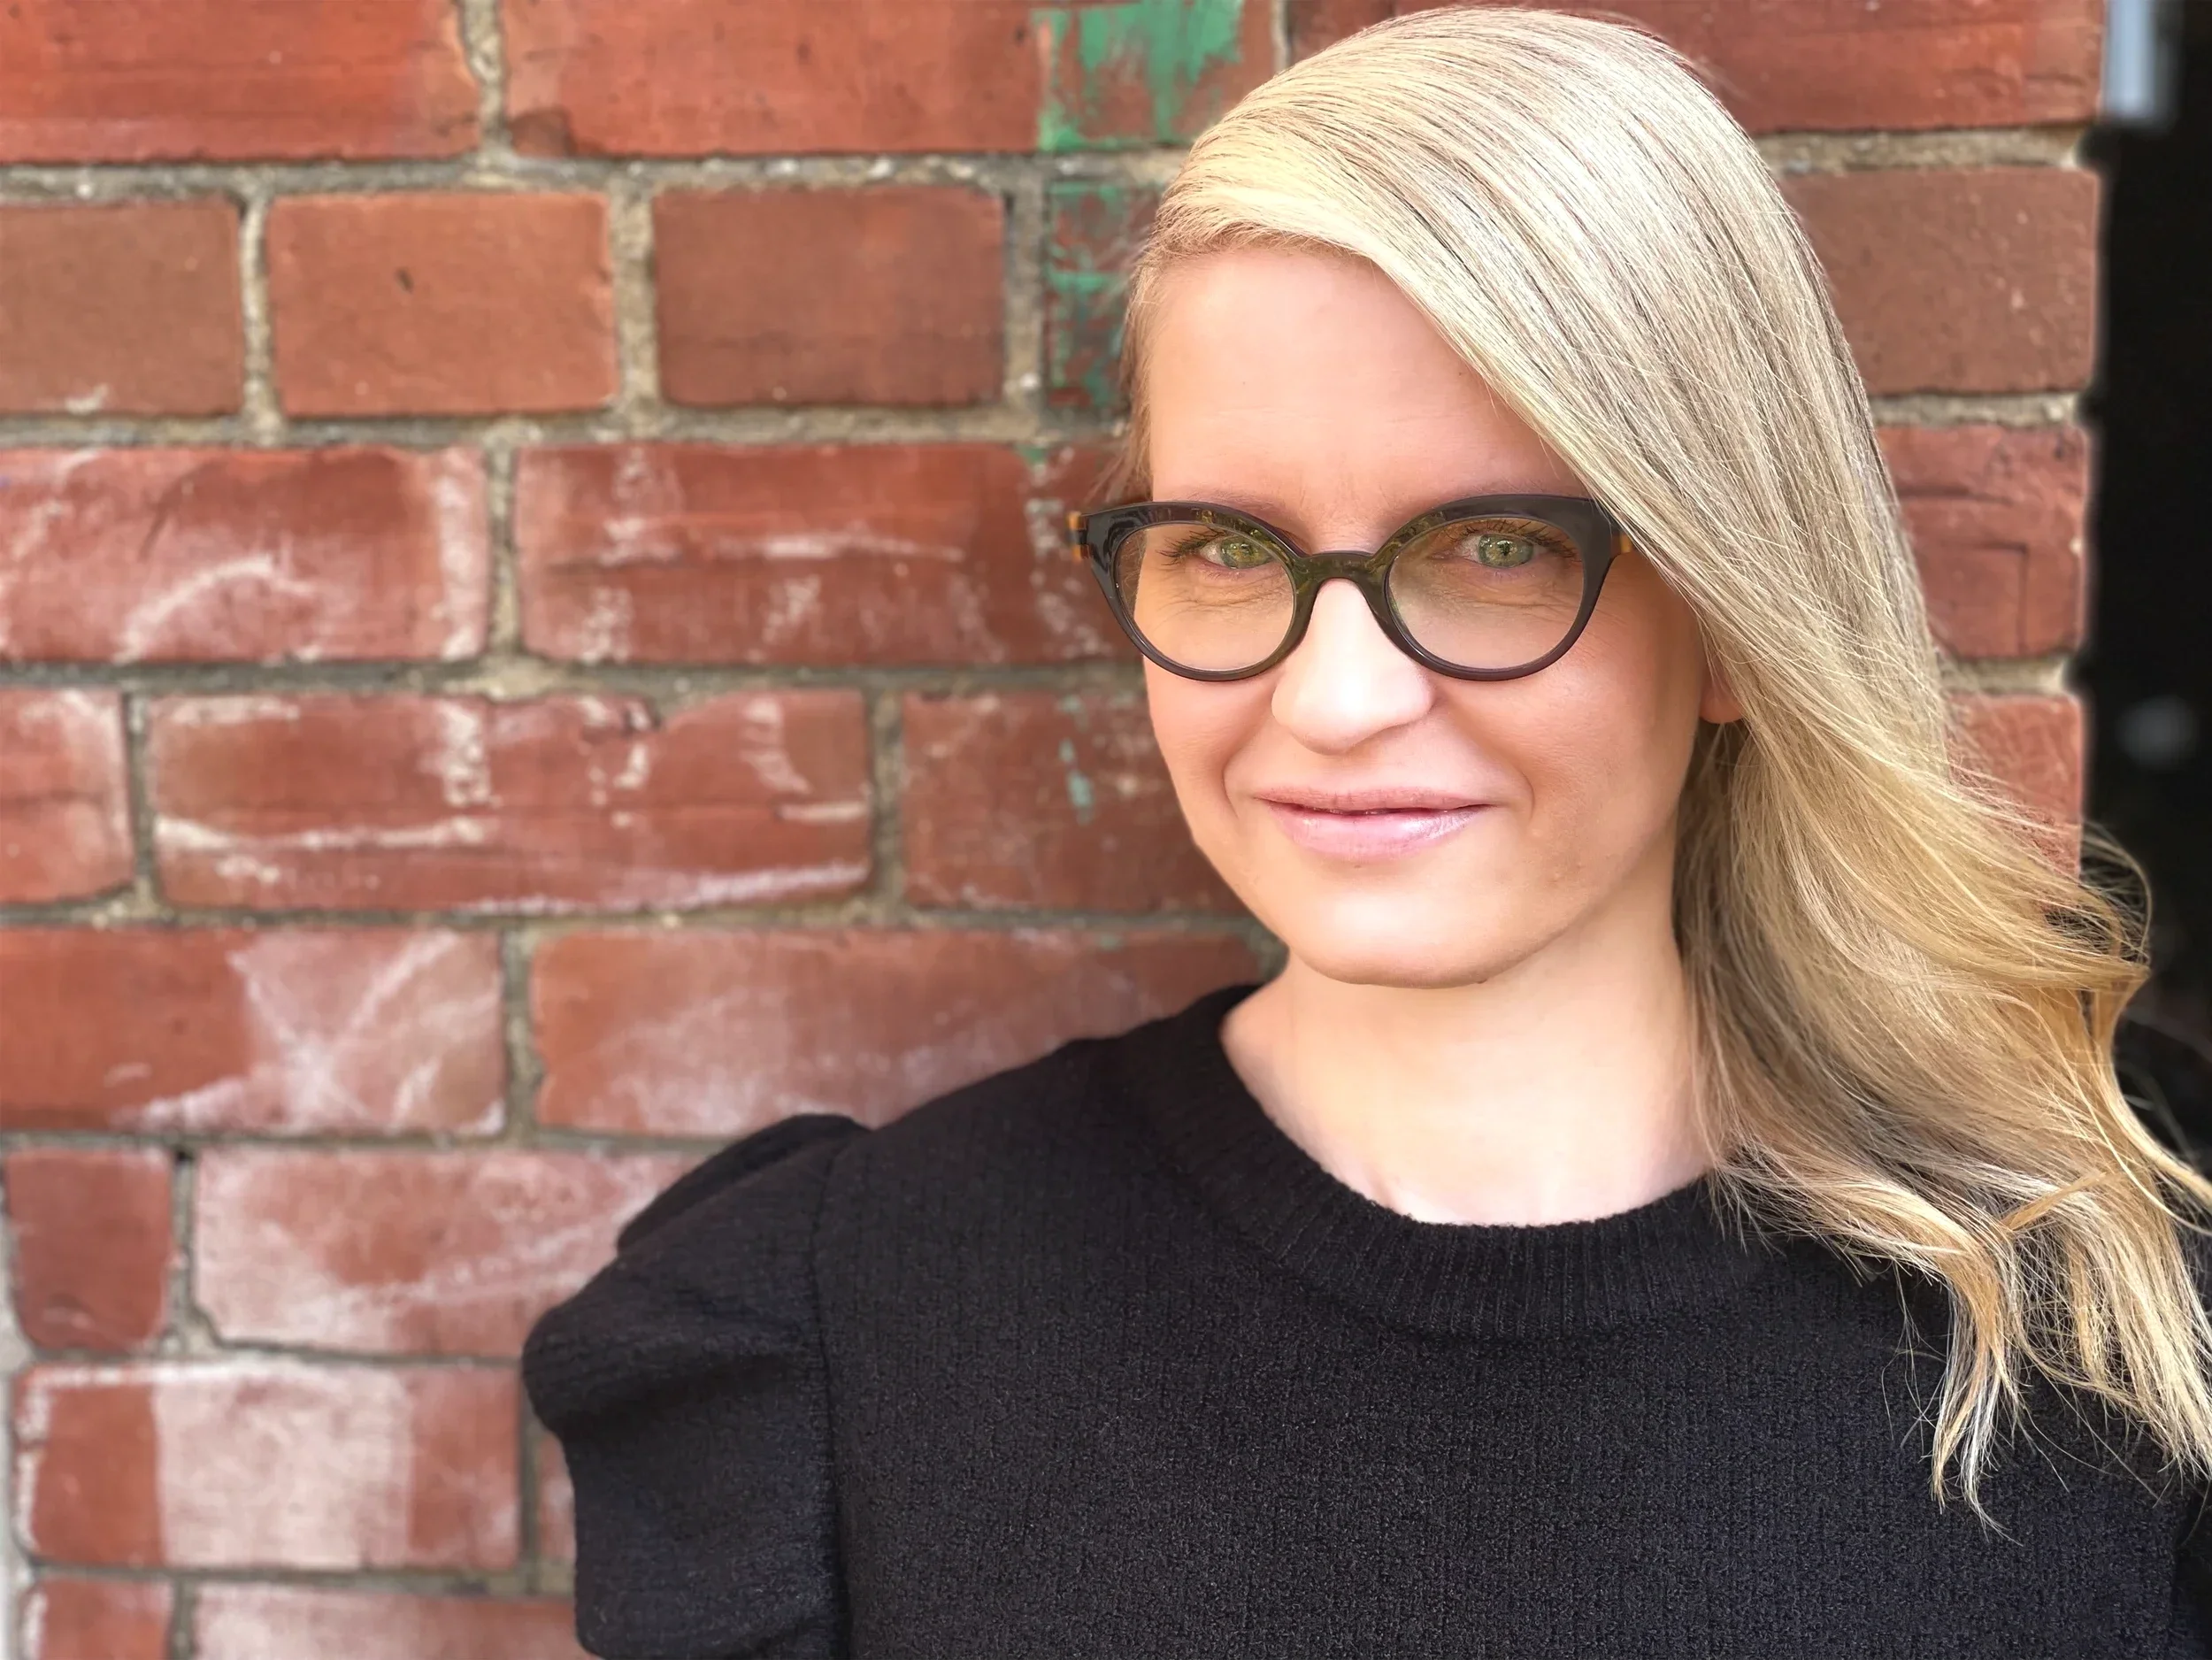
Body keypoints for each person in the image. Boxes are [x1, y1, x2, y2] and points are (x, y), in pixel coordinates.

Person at [523, 11, 2212, 1654]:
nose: (1334, 700)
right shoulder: (848, 1328)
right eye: (1230, 549)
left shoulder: (2128, 1293)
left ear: (1730, 622)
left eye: (1491, 549)